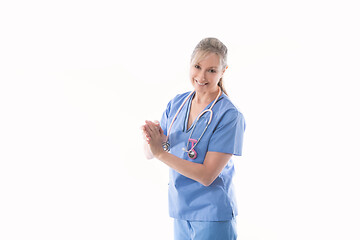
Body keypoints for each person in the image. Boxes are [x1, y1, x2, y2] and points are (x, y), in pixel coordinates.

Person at [141, 37, 245, 240]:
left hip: (213, 214)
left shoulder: (229, 116)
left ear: (223, 72)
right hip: (181, 211)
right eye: (197, 66)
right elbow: (150, 153)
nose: (201, 76)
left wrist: (160, 152)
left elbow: (207, 176)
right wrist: (151, 139)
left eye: (211, 70)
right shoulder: (177, 104)